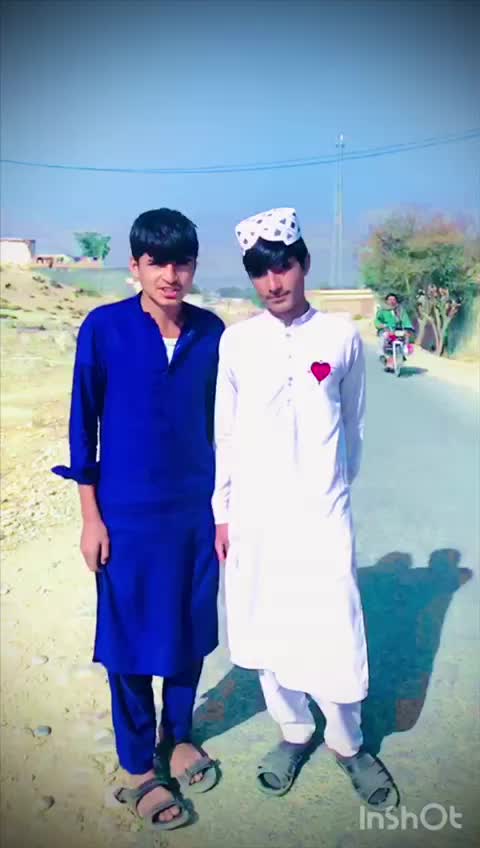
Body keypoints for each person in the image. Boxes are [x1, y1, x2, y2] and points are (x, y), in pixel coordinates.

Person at [213, 208, 398, 808]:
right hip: (256, 514)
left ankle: (348, 742)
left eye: (283, 267)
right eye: (260, 272)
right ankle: (293, 730)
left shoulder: (341, 337)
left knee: (334, 621)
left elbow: (355, 425)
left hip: (321, 510)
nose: (273, 283)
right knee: (266, 619)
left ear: (304, 264)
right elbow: (226, 433)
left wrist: (331, 491)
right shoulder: (237, 342)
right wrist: (223, 510)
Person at [52, 208, 224, 830]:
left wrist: (227, 513)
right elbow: (83, 424)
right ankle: (136, 767)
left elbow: (227, 427)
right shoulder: (104, 328)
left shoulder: (212, 333)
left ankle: (177, 736)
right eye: (157, 262)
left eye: (182, 262)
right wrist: (90, 517)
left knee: (187, 626)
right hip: (124, 513)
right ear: (135, 265)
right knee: (126, 640)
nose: (171, 275)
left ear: (194, 266)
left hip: (194, 512)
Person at [375, 293, 415, 359]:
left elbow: (405, 320)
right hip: (387, 330)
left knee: (406, 335)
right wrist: (381, 325)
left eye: (393, 299)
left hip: (397, 331)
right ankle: (381, 354)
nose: (392, 301)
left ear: (396, 301)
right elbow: (377, 320)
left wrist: (407, 328)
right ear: (386, 301)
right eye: (390, 299)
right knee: (383, 337)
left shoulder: (400, 310)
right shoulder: (382, 311)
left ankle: (404, 350)